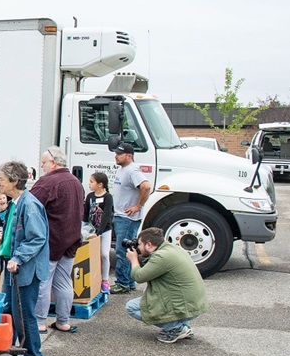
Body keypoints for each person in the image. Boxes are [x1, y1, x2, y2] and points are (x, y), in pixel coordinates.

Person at [0, 160, 49, 356]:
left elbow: (37, 238)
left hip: (24, 269)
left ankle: (34, 355)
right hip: (14, 267)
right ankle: (11, 348)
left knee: (24, 312)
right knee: (10, 308)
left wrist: (18, 257)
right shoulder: (17, 203)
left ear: (14, 181)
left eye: (1, 179)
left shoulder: (30, 205)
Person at [30, 146, 85, 334]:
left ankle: (39, 321)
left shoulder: (48, 182)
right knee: (63, 282)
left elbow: (30, 206)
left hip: (52, 240)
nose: (42, 166)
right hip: (72, 239)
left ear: (53, 163)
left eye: (44, 163)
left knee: (43, 281)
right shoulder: (75, 181)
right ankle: (64, 320)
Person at [125, 227, 208, 343]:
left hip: (186, 305)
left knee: (132, 307)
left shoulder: (161, 257)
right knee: (148, 296)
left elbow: (139, 277)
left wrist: (134, 260)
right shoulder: (171, 248)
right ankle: (184, 326)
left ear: (149, 245)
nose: (137, 248)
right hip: (193, 303)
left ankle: (176, 328)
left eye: (139, 244)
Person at [109, 143, 153, 294]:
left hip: (127, 219)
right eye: (116, 153)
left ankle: (123, 283)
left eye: (119, 154)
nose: (116, 156)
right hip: (121, 216)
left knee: (123, 251)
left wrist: (138, 206)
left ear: (129, 156)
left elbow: (146, 187)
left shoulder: (132, 170)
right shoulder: (123, 169)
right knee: (125, 249)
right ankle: (129, 281)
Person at [85, 172, 114, 294]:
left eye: (92, 182)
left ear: (100, 184)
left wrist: (99, 232)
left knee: (104, 254)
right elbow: (85, 214)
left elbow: (107, 215)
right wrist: (84, 229)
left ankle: (105, 280)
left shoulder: (108, 197)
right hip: (91, 229)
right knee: (92, 255)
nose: (89, 184)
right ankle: (94, 279)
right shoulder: (90, 196)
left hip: (104, 230)